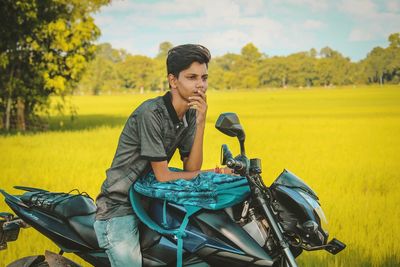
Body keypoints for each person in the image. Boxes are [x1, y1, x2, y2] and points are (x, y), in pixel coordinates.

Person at [94, 44, 230, 267]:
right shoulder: (151, 113)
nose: (200, 85)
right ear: (173, 80)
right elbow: (163, 176)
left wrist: (201, 122)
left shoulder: (190, 114)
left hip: (151, 205)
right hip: (119, 208)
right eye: (191, 77)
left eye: (204, 78)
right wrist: (211, 173)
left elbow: (190, 168)